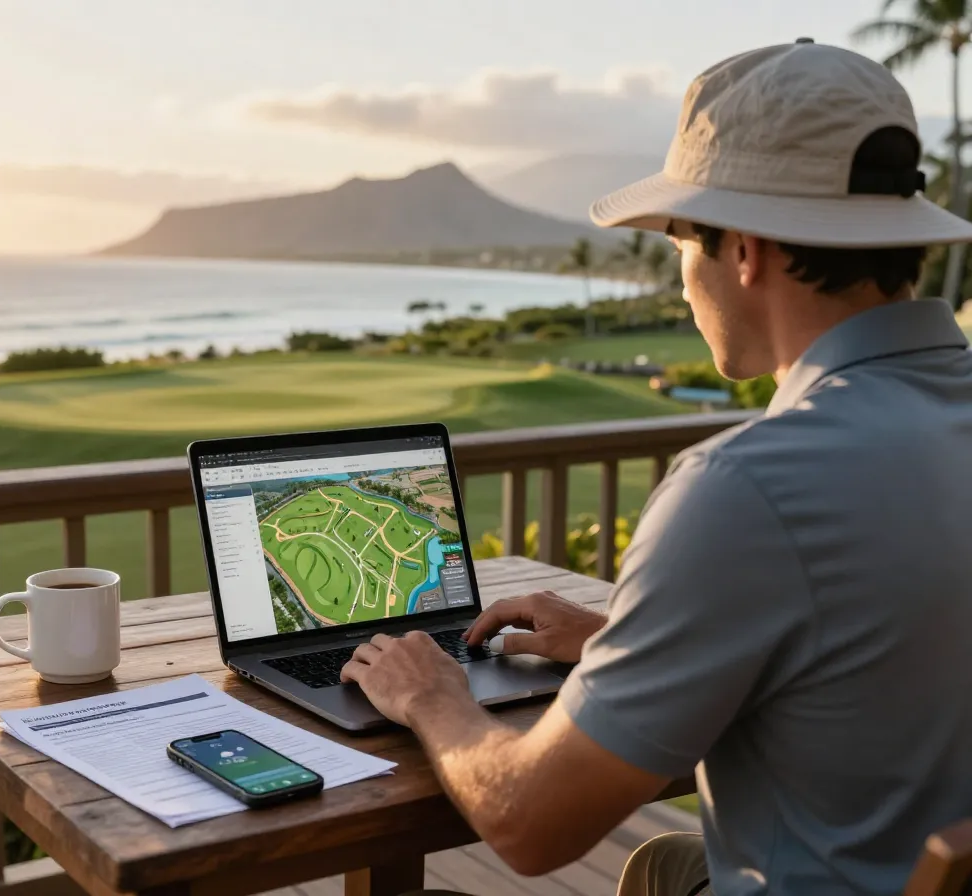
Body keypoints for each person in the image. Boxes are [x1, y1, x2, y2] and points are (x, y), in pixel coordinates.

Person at [339, 39, 972, 896]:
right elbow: (891, 651)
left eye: (680, 238)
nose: (681, 278)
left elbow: (528, 824)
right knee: (669, 864)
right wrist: (619, 648)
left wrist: (432, 696)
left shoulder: (748, 488)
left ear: (744, 249)